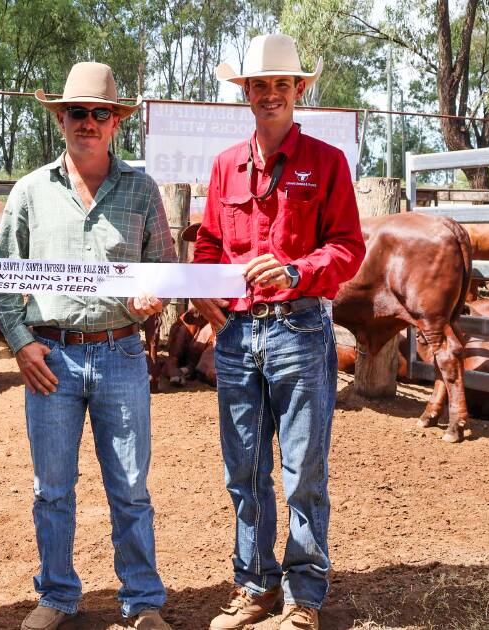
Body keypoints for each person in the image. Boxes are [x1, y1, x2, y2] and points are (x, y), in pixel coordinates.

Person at [0, 62, 177, 630]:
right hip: (52, 356)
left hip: (120, 353)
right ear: (61, 120)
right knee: (52, 487)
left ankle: (142, 601)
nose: (88, 123)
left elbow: (164, 271)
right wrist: (21, 343)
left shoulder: (141, 190)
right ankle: (56, 595)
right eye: (77, 113)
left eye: (100, 113)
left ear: (117, 122)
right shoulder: (29, 192)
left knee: (130, 486)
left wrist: (154, 301)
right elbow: (3, 278)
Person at [191, 35, 366, 630]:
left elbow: (348, 248)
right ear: (245, 94)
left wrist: (297, 271)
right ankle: (255, 584)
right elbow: (210, 245)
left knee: (302, 470)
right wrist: (208, 292)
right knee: (243, 467)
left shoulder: (326, 162)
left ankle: (303, 597)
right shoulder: (224, 167)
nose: (270, 94)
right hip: (239, 335)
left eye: (281, 85)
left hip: (300, 329)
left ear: (299, 92)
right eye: (259, 85)